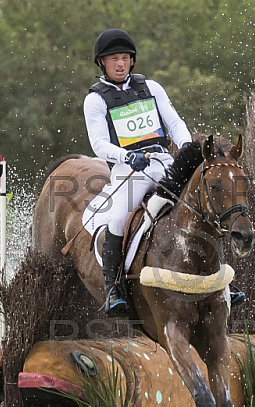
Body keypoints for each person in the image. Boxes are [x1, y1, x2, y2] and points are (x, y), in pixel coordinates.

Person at [84, 29, 193, 317]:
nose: (120, 64)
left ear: (132, 61)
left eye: (125, 58)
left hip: (162, 161)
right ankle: (113, 288)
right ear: (102, 63)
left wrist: (188, 149)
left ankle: (218, 279)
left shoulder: (152, 88)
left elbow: (175, 122)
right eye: (114, 59)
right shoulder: (96, 99)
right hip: (128, 168)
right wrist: (127, 155)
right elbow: (98, 144)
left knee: (198, 205)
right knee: (118, 218)